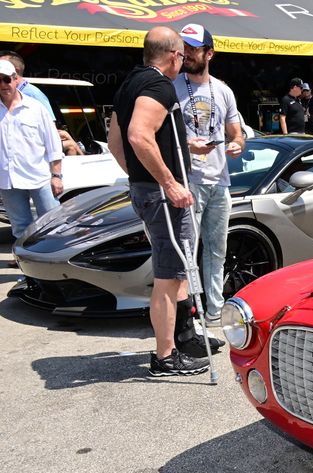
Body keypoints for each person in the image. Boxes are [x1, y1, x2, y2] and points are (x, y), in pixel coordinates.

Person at [107, 26, 208, 376]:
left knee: (175, 273)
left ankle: (183, 337)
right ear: (173, 56)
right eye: (181, 56)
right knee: (168, 276)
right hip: (163, 196)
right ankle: (165, 357)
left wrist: (139, 176)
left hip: (146, 191)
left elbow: (116, 144)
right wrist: (167, 183)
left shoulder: (129, 84)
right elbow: (138, 135)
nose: (182, 62)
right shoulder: (158, 85)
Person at [174, 22, 244, 338]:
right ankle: (191, 312)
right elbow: (162, 134)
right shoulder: (171, 87)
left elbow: (236, 132)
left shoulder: (224, 90)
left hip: (220, 181)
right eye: (183, 47)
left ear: (209, 53)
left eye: (193, 48)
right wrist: (190, 144)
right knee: (187, 250)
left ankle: (214, 310)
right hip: (188, 180)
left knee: (217, 248)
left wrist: (236, 144)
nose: (186, 53)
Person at [0, 59, 63, 245]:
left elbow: (53, 145)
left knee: (53, 224)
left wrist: (57, 175)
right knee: (20, 229)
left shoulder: (36, 108)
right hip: (8, 180)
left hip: (39, 177)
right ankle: (28, 270)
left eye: (6, 79)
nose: (3, 85)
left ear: (15, 79)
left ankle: (54, 267)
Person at [0, 50, 55, 121]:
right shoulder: (5, 95)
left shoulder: (33, 94)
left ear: (16, 72)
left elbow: (50, 125)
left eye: (3, 65)